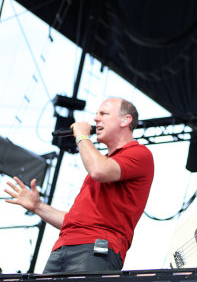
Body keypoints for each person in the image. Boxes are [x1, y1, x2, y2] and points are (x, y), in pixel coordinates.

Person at [4, 98, 154, 273]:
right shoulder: (100, 162)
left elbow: (98, 170)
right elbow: (73, 222)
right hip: (63, 247)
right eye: (97, 114)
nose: (96, 119)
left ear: (125, 120)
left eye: (103, 114)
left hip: (97, 248)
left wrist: (82, 136)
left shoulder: (139, 154)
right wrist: (37, 206)